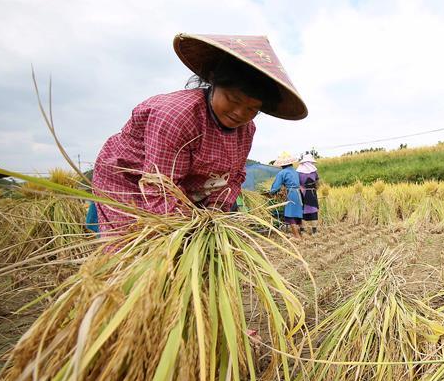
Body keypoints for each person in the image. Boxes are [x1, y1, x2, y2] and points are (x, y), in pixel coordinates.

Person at [91, 33, 307, 233]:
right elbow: (159, 189)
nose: (239, 113)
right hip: (130, 183)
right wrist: (193, 231)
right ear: (213, 80)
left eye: (252, 109)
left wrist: (214, 214)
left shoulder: (246, 130)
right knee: (137, 256)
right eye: (233, 100)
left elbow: (234, 177)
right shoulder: (177, 116)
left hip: (185, 192)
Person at [269, 152, 303, 238]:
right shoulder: (295, 171)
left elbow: (276, 186)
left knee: (290, 214)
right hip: (298, 193)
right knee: (297, 212)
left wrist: (271, 192)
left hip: (291, 194)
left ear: (282, 164)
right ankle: (302, 231)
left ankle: (297, 236)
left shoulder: (282, 173)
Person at [296, 151, 319, 235]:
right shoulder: (314, 171)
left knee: (301, 210)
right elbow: (317, 182)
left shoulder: (298, 172)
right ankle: (314, 231)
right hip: (312, 193)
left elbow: (297, 183)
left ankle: (302, 230)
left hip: (301, 193)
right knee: (313, 210)